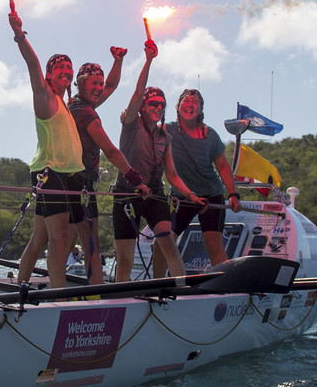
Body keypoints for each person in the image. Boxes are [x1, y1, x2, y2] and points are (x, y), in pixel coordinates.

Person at [111, 40, 205, 282]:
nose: (159, 108)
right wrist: (149, 60)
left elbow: (171, 175)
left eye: (162, 106)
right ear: (143, 106)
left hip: (154, 195)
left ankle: (179, 291)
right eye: (153, 104)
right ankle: (121, 302)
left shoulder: (165, 137)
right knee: (125, 260)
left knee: (168, 244)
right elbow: (136, 92)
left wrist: (190, 195)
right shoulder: (131, 124)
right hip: (127, 195)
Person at [9, 12, 82, 289]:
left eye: (69, 68)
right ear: (49, 74)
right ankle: (58, 296)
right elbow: (32, 63)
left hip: (64, 175)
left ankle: (20, 287)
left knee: (39, 239)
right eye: (59, 67)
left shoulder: (65, 105)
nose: (66, 70)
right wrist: (19, 35)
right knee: (60, 238)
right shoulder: (45, 97)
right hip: (51, 174)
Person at [67, 54, 151, 285]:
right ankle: (96, 294)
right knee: (91, 244)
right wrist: (135, 179)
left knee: (61, 241)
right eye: (93, 83)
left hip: (72, 181)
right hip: (80, 184)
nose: (99, 88)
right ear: (80, 83)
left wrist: (119, 60)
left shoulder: (77, 103)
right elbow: (111, 151)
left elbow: (112, 85)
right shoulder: (86, 112)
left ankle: (61, 287)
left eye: (100, 83)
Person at [162, 88, 242, 270]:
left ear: (200, 110)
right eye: (186, 102)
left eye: (195, 104)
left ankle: (227, 284)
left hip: (210, 193)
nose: (190, 106)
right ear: (178, 107)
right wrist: (127, 117)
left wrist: (233, 194)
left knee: (213, 244)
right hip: (182, 195)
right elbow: (146, 128)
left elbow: (222, 165)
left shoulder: (210, 135)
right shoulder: (167, 130)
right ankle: (166, 282)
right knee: (165, 240)